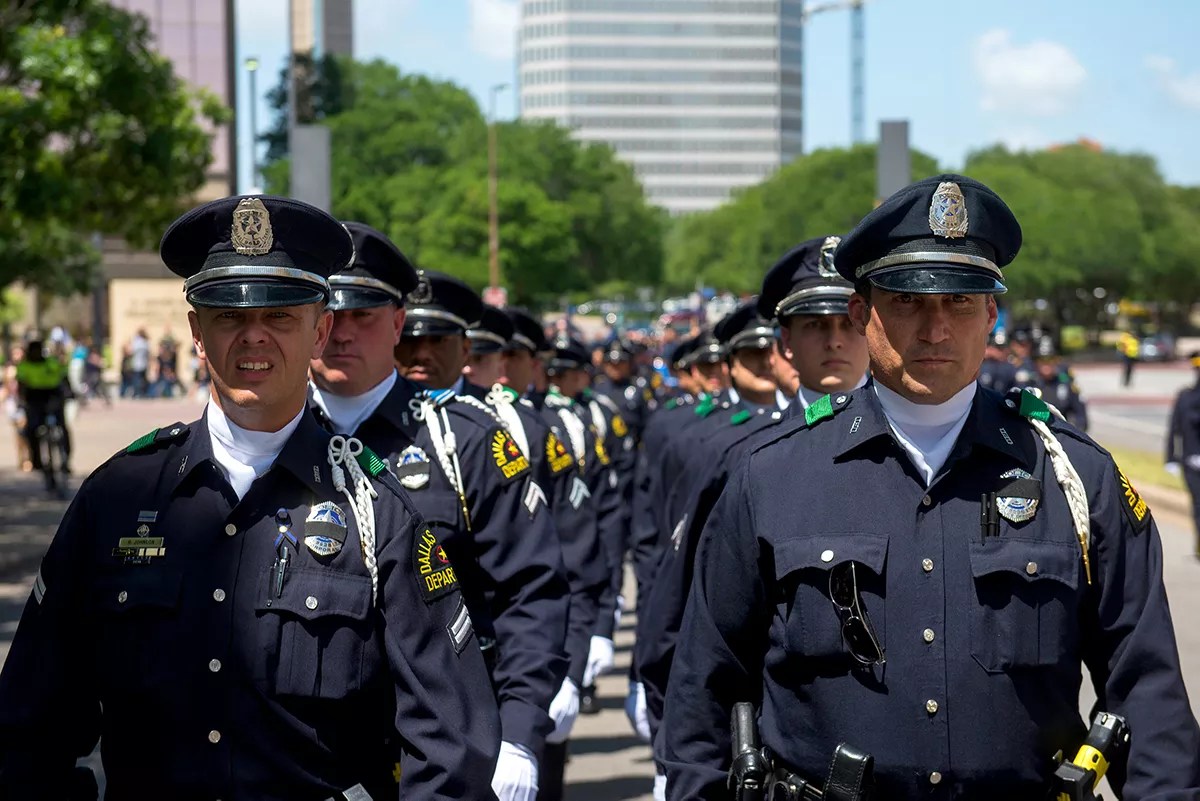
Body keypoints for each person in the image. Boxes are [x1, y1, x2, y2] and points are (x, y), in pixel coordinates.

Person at [661, 175, 1200, 799]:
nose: (936, 329)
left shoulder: (1075, 477)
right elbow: (705, 695)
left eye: (961, 302)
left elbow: (1147, 694)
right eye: (910, 301)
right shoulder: (772, 476)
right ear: (863, 314)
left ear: (992, 315)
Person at [0, 196, 501, 800]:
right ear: (197, 333)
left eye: (281, 317)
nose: (253, 337)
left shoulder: (378, 511)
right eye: (229, 316)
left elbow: (452, 746)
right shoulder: (116, 499)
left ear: (319, 330)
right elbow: (30, 728)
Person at [311, 235, 569, 801]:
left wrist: (521, 731)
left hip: (451, 743)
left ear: (398, 323)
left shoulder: (466, 442)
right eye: (329, 313)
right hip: (314, 751)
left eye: (363, 314)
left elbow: (531, 590)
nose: (343, 332)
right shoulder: (278, 442)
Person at [15, 337, 72, 484]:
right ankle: (37, 460)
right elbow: (21, 386)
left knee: (62, 427)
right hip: (34, 399)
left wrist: (69, 392)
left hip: (52, 395)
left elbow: (63, 376)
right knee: (31, 429)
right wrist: (22, 401)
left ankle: (66, 458)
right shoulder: (24, 366)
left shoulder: (51, 363)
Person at [1165, 351, 1200, 559]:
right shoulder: (1185, 396)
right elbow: (1175, 427)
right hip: (1190, 460)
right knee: (1197, 503)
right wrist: (1171, 456)